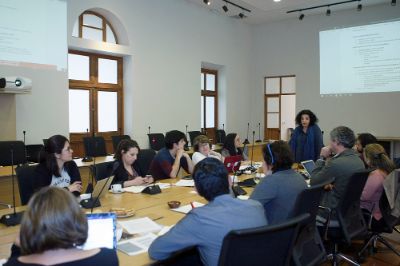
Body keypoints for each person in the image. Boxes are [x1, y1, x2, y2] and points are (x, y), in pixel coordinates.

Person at [148, 158, 267, 266]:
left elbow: (156, 251)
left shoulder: (199, 218)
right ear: (230, 180)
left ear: (197, 190)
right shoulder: (256, 207)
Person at [4, 187, 119, 266]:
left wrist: (17, 246)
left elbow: (15, 261)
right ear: (78, 218)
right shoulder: (107, 258)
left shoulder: (14, 264)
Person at [310, 126, 365, 215]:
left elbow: (313, 182)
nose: (329, 143)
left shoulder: (336, 163)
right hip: (349, 211)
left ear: (336, 141)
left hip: (331, 211)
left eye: (331, 140)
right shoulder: (359, 161)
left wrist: (322, 158)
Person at [250, 141, 307, 224]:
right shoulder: (299, 177)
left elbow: (248, 209)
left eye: (263, 160)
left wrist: (268, 175)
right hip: (294, 231)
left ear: (270, 162)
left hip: (273, 231)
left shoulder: (270, 182)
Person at [360, 143, 396, 227]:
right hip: (386, 214)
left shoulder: (376, 175)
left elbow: (363, 197)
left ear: (368, 159)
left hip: (373, 216)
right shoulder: (388, 170)